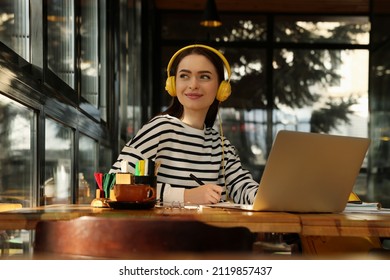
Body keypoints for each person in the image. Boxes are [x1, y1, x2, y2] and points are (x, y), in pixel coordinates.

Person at [109, 44, 258, 205]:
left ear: (222, 88)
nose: (193, 84)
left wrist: (270, 197)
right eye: (184, 76)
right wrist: (185, 196)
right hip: (164, 230)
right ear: (173, 85)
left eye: (204, 77)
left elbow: (243, 188)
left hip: (210, 230)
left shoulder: (221, 146)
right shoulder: (159, 129)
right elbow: (114, 184)